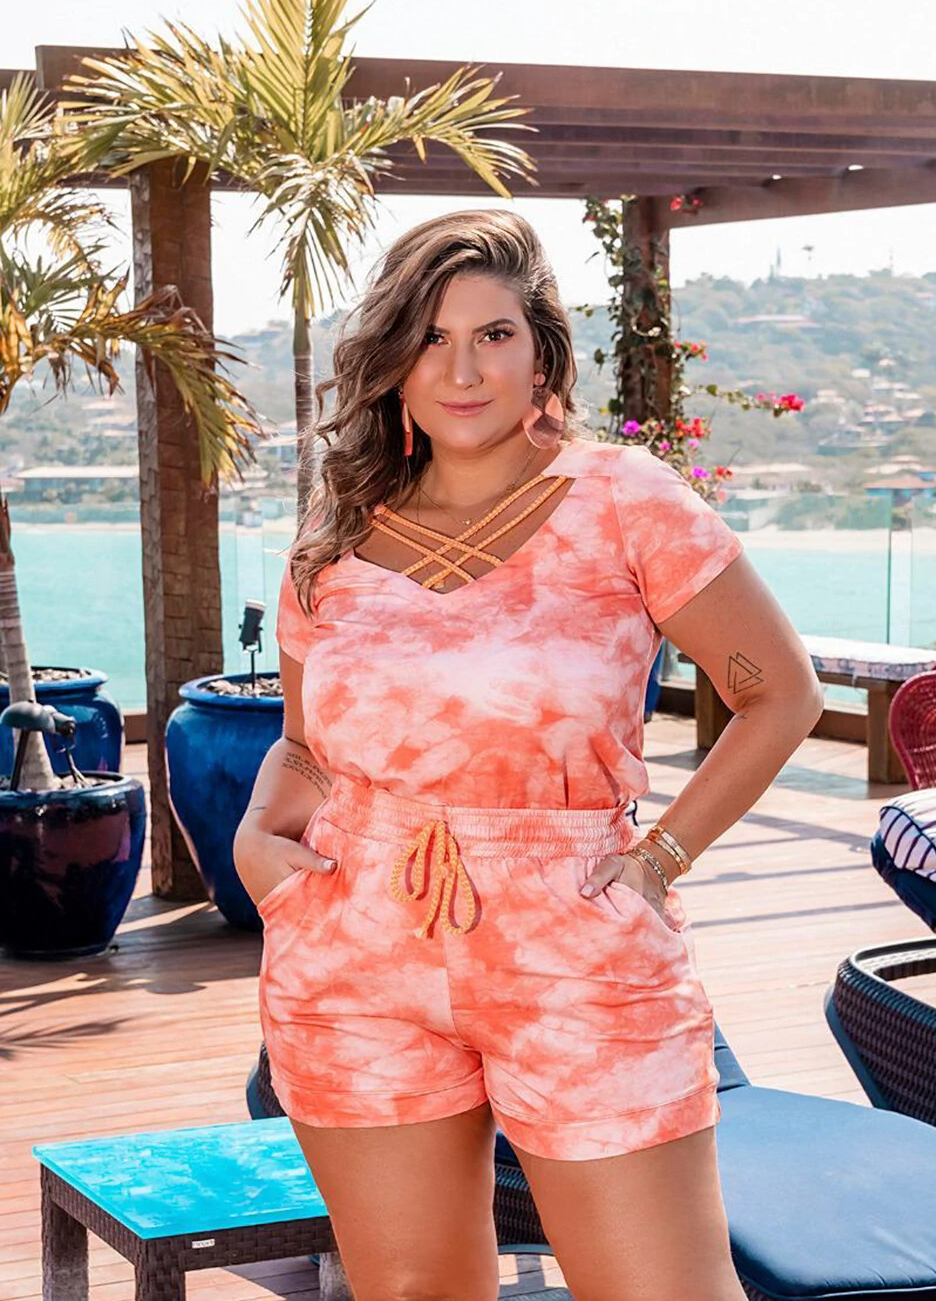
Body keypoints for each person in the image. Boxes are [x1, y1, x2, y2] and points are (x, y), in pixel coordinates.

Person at [234, 207, 824, 1301]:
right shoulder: (336, 538)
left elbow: (780, 692)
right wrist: (260, 838)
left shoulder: (626, 501)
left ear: (541, 354)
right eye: (431, 337)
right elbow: (308, 749)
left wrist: (658, 860)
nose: (462, 369)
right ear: (393, 361)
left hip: (574, 938)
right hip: (354, 944)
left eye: (493, 335)